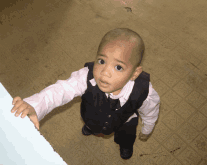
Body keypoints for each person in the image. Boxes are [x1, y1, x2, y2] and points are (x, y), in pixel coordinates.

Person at [11, 28, 160, 160]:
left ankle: (125, 146)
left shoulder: (144, 92)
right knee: (91, 122)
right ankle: (91, 127)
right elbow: (61, 90)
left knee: (126, 136)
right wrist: (35, 106)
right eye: (101, 61)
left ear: (134, 73)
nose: (105, 72)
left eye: (118, 67)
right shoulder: (86, 77)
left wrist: (147, 129)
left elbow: (151, 111)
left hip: (125, 121)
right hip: (92, 114)